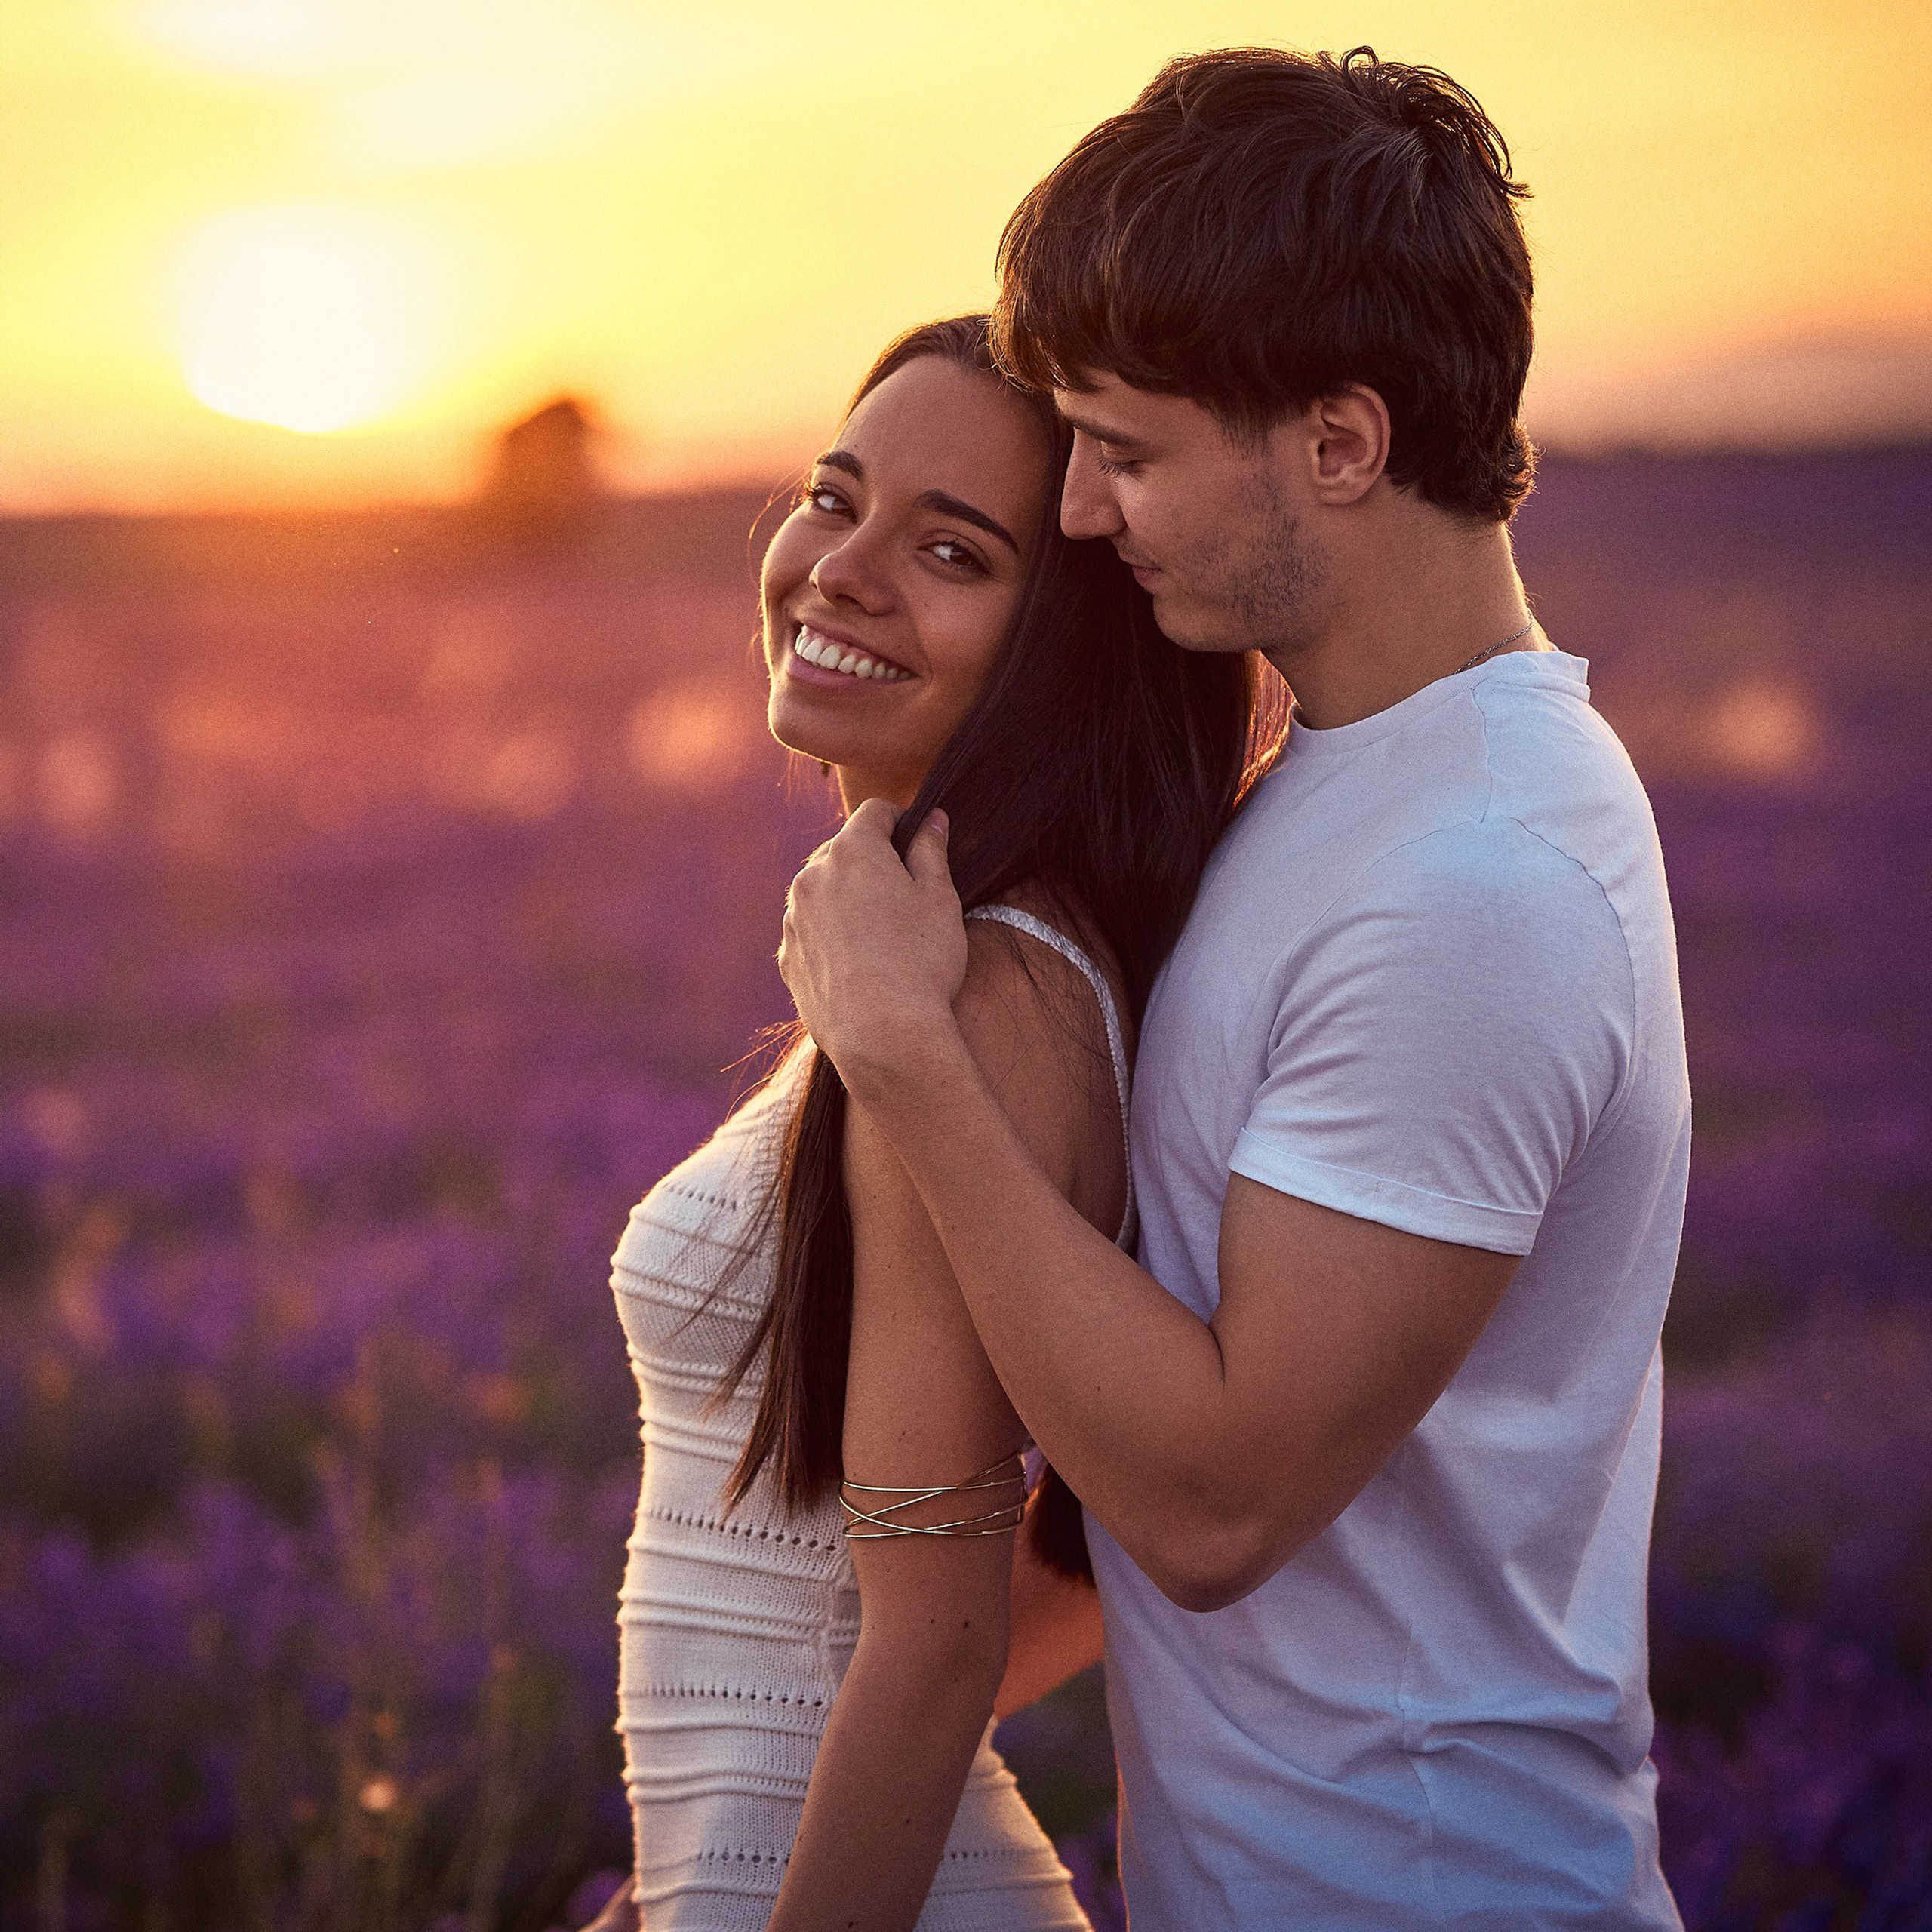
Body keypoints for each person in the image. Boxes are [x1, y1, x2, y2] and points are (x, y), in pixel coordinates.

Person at [780, 48, 1692, 1932]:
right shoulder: (1345, 786)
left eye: (1126, 448)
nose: (1091, 517)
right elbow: (1118, 1492)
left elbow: (1206, 1508)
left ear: (1339, 444)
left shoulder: (1482, 883)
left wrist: (905, 1062)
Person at [591, 315, 1262, 1931]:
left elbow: (937, 1630)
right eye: (837, 496)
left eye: (948, 549)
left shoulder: (977, 1000)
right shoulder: (928, 954)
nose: (839, 567)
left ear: (1066, 645)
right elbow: (1034, 1549)